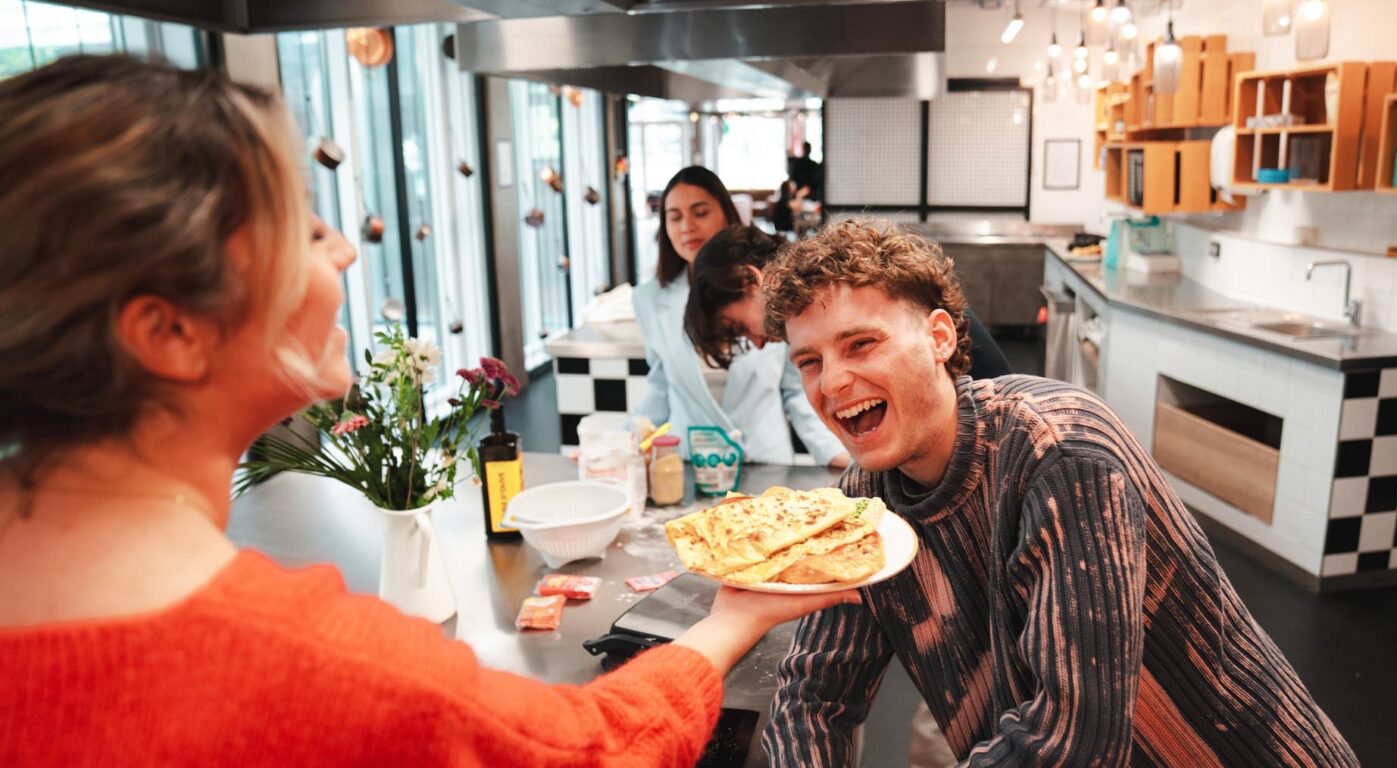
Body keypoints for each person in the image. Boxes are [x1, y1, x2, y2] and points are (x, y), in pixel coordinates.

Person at [0, 55, 855, 766]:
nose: (340, 247)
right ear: (169, 331)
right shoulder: (315, 663)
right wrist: (732, 617)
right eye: (300, 228)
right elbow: (591, 751)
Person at [759, 220, 1358, 766]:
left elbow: (1073, 740)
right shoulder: (865, 500)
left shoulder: (1060, 453)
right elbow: (814, 695)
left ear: (939, 337)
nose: (832, 381)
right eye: (809, 361)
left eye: (861, 344)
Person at [633, 166, 847, 468]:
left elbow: (795, 388)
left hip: (764, 460)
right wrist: (624, 442)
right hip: (694, 464)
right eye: (675, 216)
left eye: (700, 212)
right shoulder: (649, 299)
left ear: (726, 213)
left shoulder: (772, 286)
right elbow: (659, 386)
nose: (687, 227)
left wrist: (836, 454)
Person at [685, 225, 1013, 379]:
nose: (755, 344)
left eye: (740, 327)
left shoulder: (849, 294)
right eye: (810, 363)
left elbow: (992, 396)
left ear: (750, 279)